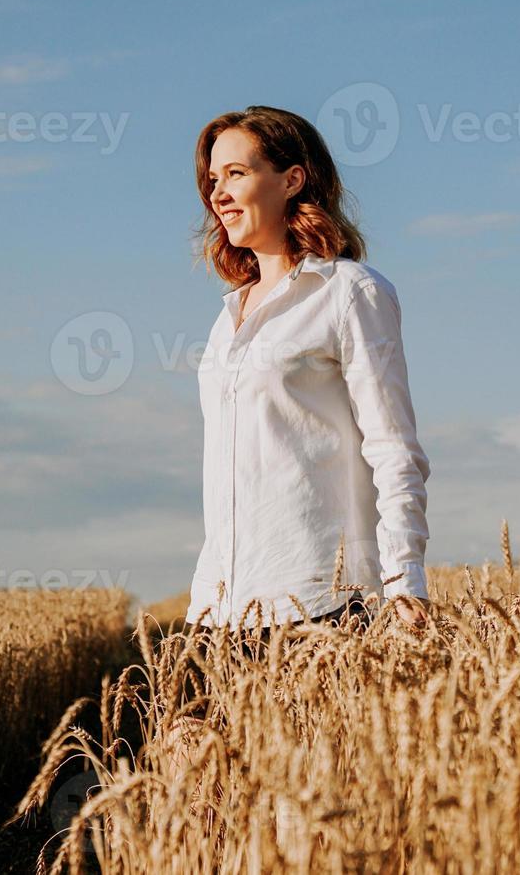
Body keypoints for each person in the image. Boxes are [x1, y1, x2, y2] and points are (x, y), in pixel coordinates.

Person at [180, 105, 434, 655]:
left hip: (319, 604)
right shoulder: (227, 317)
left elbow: (393, 448)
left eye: (237, 174)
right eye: (212, 180)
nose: (217, 194)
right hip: (217, 608)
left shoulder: (350, 292)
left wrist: (404, 583)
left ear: (292, 179)